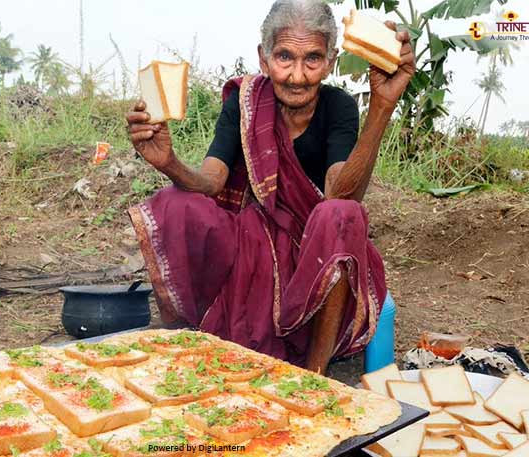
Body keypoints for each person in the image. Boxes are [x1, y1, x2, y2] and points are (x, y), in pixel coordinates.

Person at [125, 0, 415, 374]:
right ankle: (189, 342)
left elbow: (340, 194)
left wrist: (382, 107)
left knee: (342, 214)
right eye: (284, 57)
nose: (297, 76)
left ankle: (315, 373)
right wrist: (170, 163)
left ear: (331, 59)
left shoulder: (338, 106)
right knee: (176, 203)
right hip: (253, 247)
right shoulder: (246, 103)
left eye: (312, 59)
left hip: (317, 253)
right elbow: (211, 181)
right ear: (264, 59)